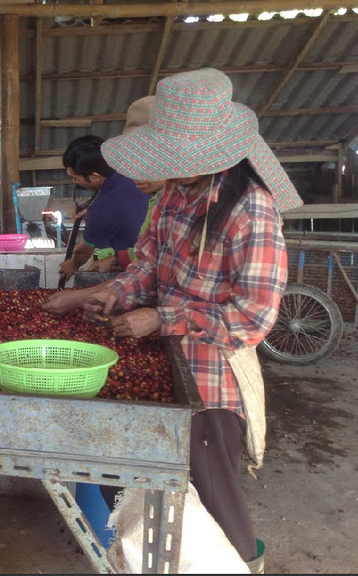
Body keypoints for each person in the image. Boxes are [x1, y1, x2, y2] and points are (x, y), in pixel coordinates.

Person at [82, 67, 303, 572]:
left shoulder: (251, 210)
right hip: (163, 361)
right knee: (144, 495)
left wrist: (161, 318)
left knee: (218, 505)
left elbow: (252, 318)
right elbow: (148, 265)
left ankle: (243, 565)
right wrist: (115, 293)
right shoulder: (174, 197)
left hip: (212, 383)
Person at [42, 96, 163, 315]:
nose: (138, 176)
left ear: (96, 176)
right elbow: (150, 254)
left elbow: (156, 264)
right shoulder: (141, 185)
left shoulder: (110, 205)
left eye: (76, 178)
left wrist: (74, 271)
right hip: (143, 275)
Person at [58, 134, 150, 283]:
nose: (74, 182)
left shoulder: (101, 211)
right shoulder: (130, 171)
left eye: (76, 178)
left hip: (141, 267)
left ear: (94, 177)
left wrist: (72, 265)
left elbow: (83, 251)